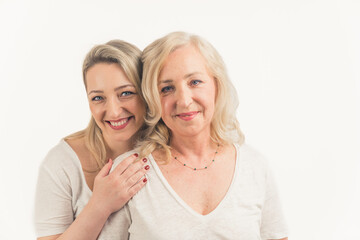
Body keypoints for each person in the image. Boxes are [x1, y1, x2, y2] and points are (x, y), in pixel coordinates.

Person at [105, 32, 289, 239]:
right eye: (166, 88)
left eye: (194, 82)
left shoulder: (255, 167)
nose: (183, 100)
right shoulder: (128, 172)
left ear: (217, 86)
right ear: (152, 99)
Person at [34, 40, 150, 240]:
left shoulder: (172, 150)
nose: (113, 111)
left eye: (126, 93)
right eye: (98, 98)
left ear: (147, 92)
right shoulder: (62, 164)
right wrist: (100, 205)